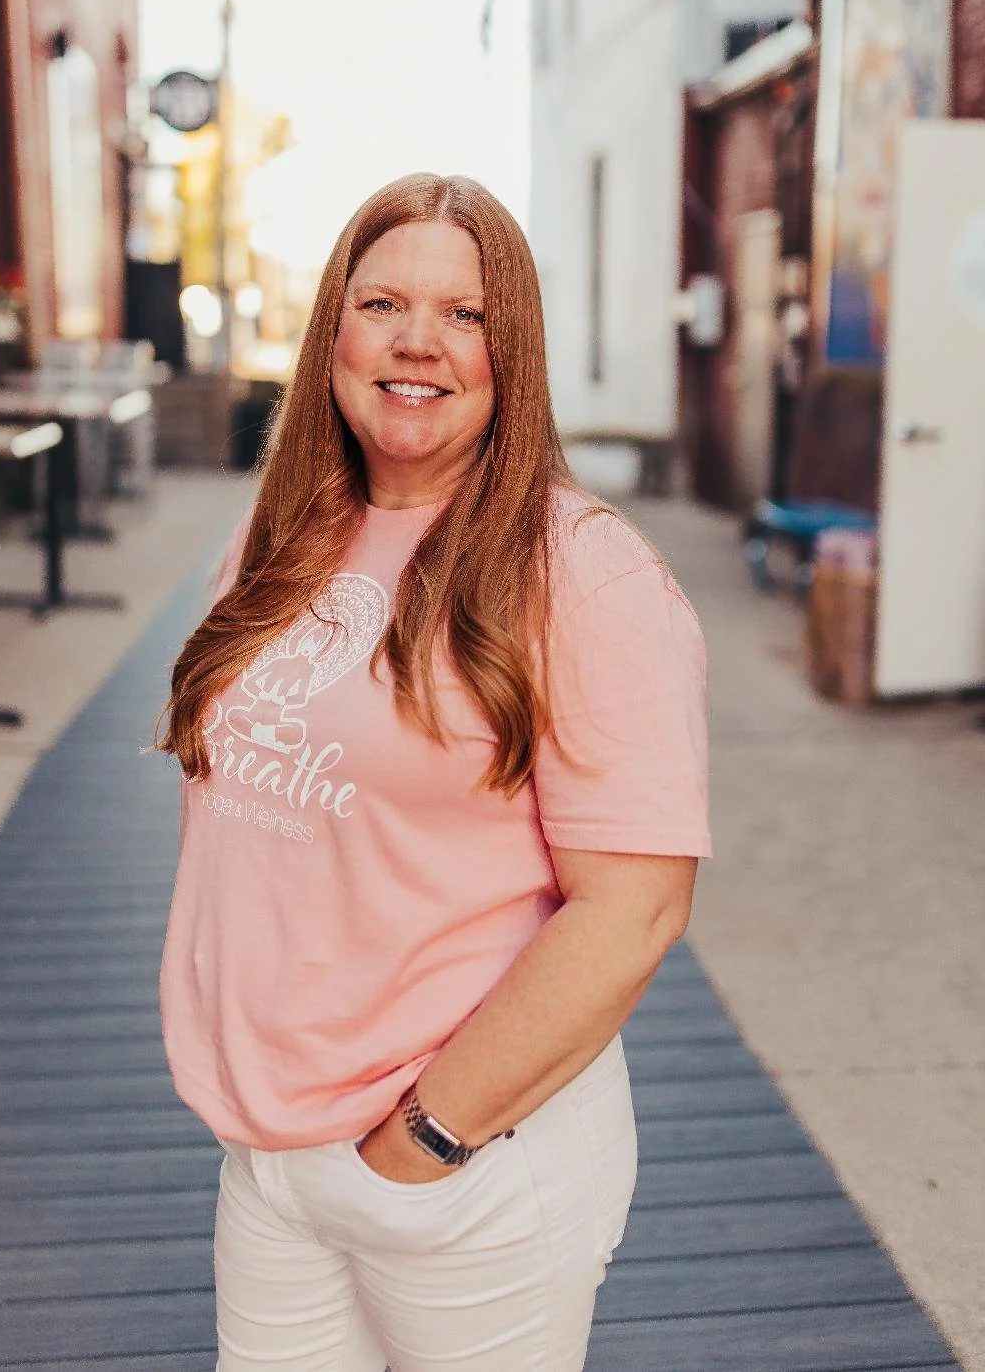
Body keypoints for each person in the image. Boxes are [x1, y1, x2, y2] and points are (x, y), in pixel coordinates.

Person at [157, 173, 710, 1372]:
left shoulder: (587, 574)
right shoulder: (278, 536)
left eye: (467, 314)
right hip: (268, 1151)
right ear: (333, 333)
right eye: (383, 304)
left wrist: (426, 1142)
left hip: (461, 1165)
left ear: (515, 352)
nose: (420, 342)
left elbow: (636, 908)